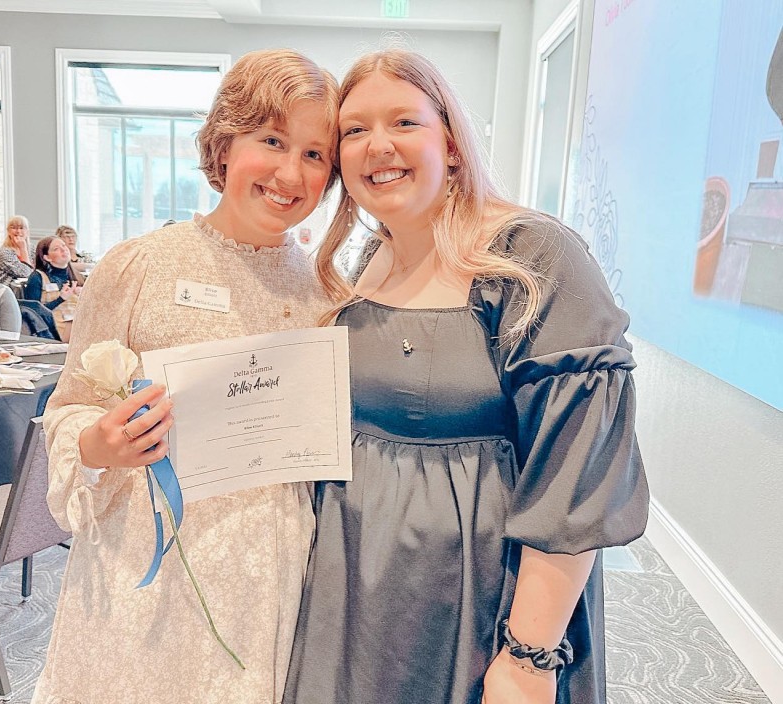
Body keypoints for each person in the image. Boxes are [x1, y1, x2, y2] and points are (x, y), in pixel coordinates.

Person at [284, 49, 649, 704]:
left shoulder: (531, 255)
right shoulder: (370, 256)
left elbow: (575, 472)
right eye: (355, 130)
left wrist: (528, 657)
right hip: (358, 583)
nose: (377, 146)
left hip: (472, 600)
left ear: (451, 144)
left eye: (404, 122)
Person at [33, 48, 339, 704]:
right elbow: (68, 408)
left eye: (315, 154)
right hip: (144, 566)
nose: (291, 172)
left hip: (270, 575)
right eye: (272, 140)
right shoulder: (138, 267)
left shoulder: (328, 293)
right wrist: (98, 444)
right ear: (225, 144)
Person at [25, 236, 81, 341]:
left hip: (79, 323)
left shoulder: (77, 276)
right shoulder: (37, 277)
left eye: (64, 246)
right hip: (55, 331)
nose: (64, 249)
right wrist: (60, 299)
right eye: (56, 249)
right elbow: (32, 312)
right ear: (47, 257)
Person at [0, 215, 33, 285]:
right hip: (3, 289)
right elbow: (25, 273)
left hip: (22, 288)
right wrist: (23, 249)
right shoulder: (4, 252)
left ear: (27, 231)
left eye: (21, 228)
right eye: (14, 228)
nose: (18, 231)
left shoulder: (32, 249)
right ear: (8, 231)